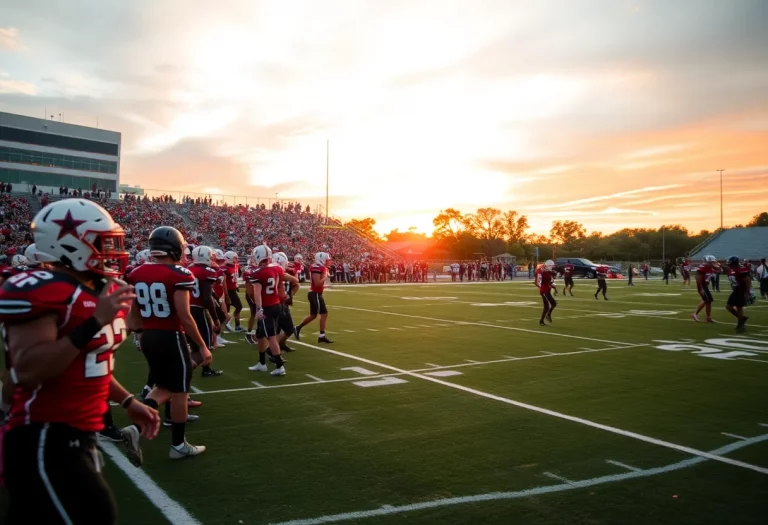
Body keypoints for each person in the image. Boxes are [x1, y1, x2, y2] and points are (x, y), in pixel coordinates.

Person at [0, 198, 160, 525]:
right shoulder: (46, 288)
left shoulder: (100, 289)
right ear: (69, 244)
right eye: (103, 242)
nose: (113, 250)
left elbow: (90, 362)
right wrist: (93, 322)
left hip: (80, 433)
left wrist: (127, 400)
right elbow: (28, 371)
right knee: (95, 514)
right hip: (43, 435)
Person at [125, 226, 211, 459]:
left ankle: (135, 427)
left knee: (164, 386)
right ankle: (178, 445)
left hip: (149, 335)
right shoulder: (179, 274)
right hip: (171, 335)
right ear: (175, 248)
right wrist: (202, 345)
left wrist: (141, 334)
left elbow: (132, 315)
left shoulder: (136, 272)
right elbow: (185, 316)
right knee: (181, 389)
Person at [246, 246, 288, 376]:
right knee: (260, 335)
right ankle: (261, 363)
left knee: (271, 338)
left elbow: (257, 293)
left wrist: (259, 309)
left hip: (267, 308)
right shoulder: (278, 268)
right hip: (276, 305)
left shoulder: (258, 272)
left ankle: (280, 366)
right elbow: (281, 289)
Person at [187, 245, 224, 378]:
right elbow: (207, 297)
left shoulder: (188, 269)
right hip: (199, 311)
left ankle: (206, 369)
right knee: (204, 347)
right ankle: (181, 373)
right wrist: (216, 319)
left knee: (194, 345)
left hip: (186, 310)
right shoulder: (207, 272)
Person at [294, 252, 334, 344]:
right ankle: (322, 336)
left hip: (315, 293)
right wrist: (325, 277)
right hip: (315, 294)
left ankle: (297, 328)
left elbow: (318, 285)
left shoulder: (320, 267)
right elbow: (317, 283)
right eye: (327, 260)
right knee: (324, 313)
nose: (328, 261)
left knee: (313, 315)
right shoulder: (317, 267)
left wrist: (325, 286)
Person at [725, 255, 751, 332]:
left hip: (741, 290)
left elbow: (748, 281)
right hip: (736, 290)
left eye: (730, 263)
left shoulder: (741, 269)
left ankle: (741, 325)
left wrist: (747, 292)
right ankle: (742, 319)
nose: (729, 264)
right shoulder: (734, 269)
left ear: (734, 263)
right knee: (729, 307)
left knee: (739, 308)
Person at [693, 255, 718, 323]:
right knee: (707, 300)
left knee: (709, 301)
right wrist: (701, 289)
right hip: (702, 286)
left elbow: (718, 270)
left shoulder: (709, 267)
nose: (713, 263)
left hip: (705, 286)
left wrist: (717, 266)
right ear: (708, 262)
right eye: (712, 262)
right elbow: (698, 279)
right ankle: (695, 314)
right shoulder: (703, 267)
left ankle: (708, 318)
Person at [223, 250, 243, 332]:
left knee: (239, 307)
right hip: (227, 291)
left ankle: (237, 326)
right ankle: (224, 325)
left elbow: (239, 274)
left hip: (233, 290)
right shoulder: (225, 268)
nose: (236, 260)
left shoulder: (236, 266)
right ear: (229, 258)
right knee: (225, 311)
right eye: (234, 258)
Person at [536, 260, 557, 325]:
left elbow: (551, 279)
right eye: (551, 266)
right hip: (544, 291)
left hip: (547, 290)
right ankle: (547, 315)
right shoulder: (541, 271)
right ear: (548, 266)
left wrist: (553, 286)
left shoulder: (547, 271)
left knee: (548, 306)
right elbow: (538, 282)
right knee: (552, 304)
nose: (552, 267)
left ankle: (542, 320)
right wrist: (544, 287)